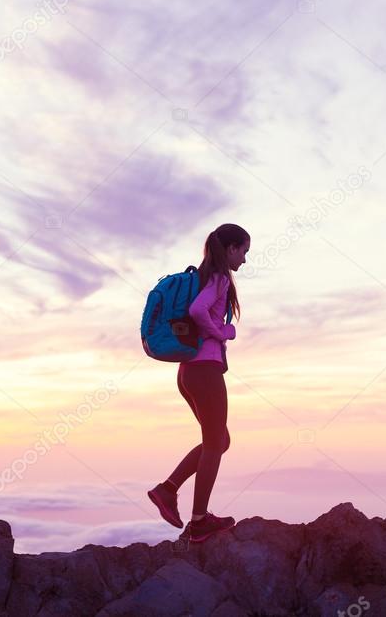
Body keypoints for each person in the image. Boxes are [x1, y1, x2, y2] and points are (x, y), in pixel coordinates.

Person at [147, 223, 250, 543]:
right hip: (204, 370)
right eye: (244, 251)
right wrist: (221, 333)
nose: (245, 260)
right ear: (231, 249)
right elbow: (197, 310)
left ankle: (167, 490)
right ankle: (200, 520)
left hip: (188, 372)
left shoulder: (202, 278)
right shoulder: (218, 279)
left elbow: (194, 310)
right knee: (216, 444)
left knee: (220, 441)